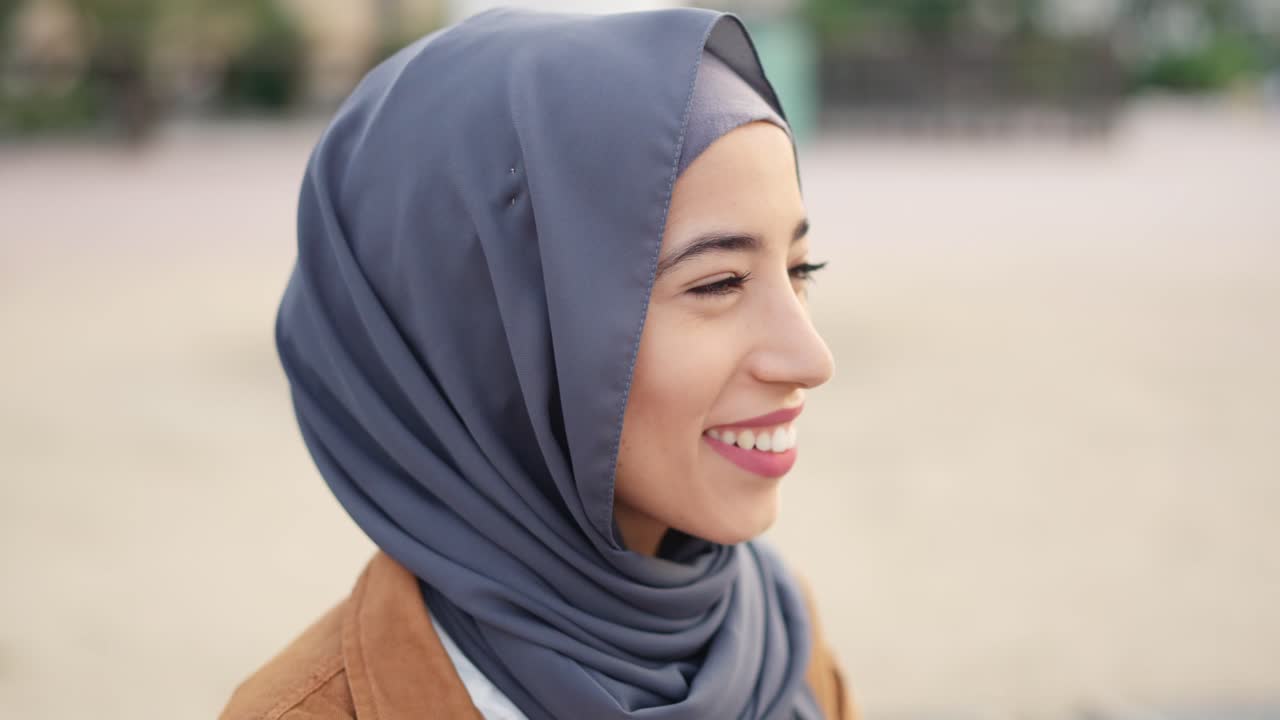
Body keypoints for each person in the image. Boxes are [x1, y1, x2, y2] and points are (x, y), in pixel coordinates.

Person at [220, 6, 855, 719]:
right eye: (719, 283)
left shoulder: (780, 639)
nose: (812, 358)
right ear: (492, 327)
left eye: (801, 269)